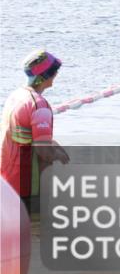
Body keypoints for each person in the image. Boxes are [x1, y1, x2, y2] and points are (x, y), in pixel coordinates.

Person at [1, 50, 70, 209]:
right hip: (28, 188)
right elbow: (43, 152)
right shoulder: (39, 105)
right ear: (45, 76)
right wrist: (60, 155)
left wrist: (52, 143)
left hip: (8, 182)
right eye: (54, 71)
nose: (57, 74)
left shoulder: (15, 96)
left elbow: (21, 134)